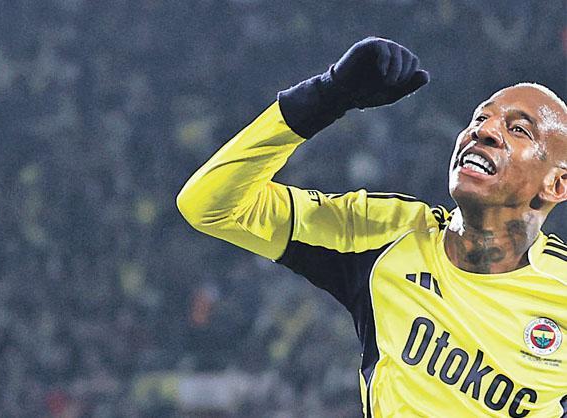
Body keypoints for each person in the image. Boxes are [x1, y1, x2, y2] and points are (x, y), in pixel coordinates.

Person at [176, 37, 566, 417]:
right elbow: (209, 205)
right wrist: (327, 95)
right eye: (480, 118)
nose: (484, 130)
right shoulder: (385, 233)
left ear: (557, 185)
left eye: (519, 129)